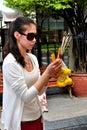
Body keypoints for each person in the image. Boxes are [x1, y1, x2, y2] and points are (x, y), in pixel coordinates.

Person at [1, 16, 62, 130]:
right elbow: (26, 97)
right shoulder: (10, 62)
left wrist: (49, 75)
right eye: (30, 36)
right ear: (17, 35)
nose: (34, 40)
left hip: (37, 116)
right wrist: (47, 74)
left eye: (35, 36)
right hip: (20, 122)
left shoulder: (32, 58)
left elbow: (40, 92)